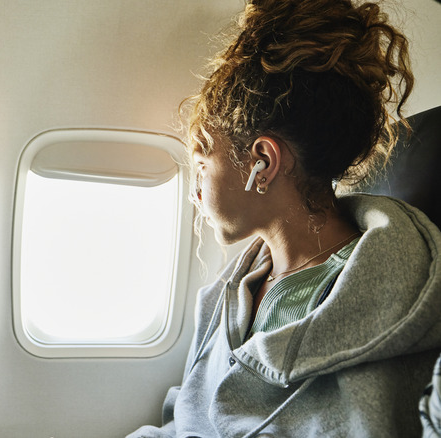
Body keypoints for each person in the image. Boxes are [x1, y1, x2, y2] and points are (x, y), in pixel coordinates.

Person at [129, 0, 441, 436]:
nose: (196, 190)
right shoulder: (225, 294)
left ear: (263, 161)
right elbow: (185, 419)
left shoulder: (381, 301)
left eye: (203, 164)